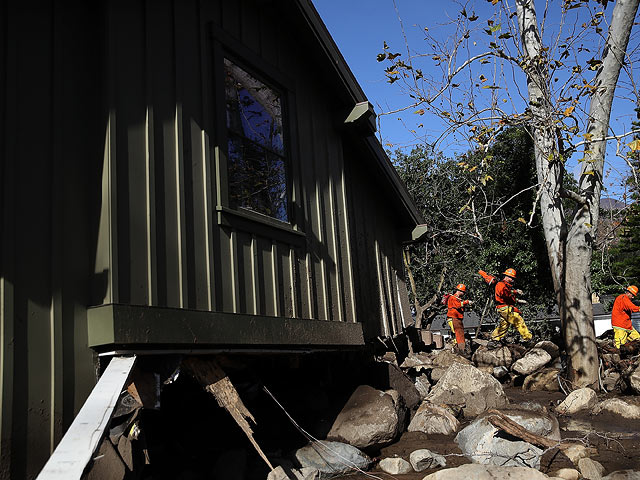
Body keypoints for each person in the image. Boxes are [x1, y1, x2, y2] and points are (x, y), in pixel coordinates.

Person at [490, 268, 532, 345]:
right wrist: (515, 292)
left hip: (504, 308)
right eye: (512, 278)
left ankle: (494, 339)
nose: (513, 280)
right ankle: (528, 338)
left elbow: (508, 296)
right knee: (518, 320)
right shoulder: (501, 284)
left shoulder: (505, 286)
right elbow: (505, 294)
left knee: (504, 325)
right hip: (505, 308)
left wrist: (518, 300)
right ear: (507, 276)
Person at [447, 284, 473, 356]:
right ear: (460, 291)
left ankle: (459, 349)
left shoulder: (456, 298)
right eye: (463, 292)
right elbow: (458, 305)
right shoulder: (452, 298)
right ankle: (461, 350)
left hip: (457, 318)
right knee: (459, 334)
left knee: (459, 334)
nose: (464, 294)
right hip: (454, 318)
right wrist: (467, 302)